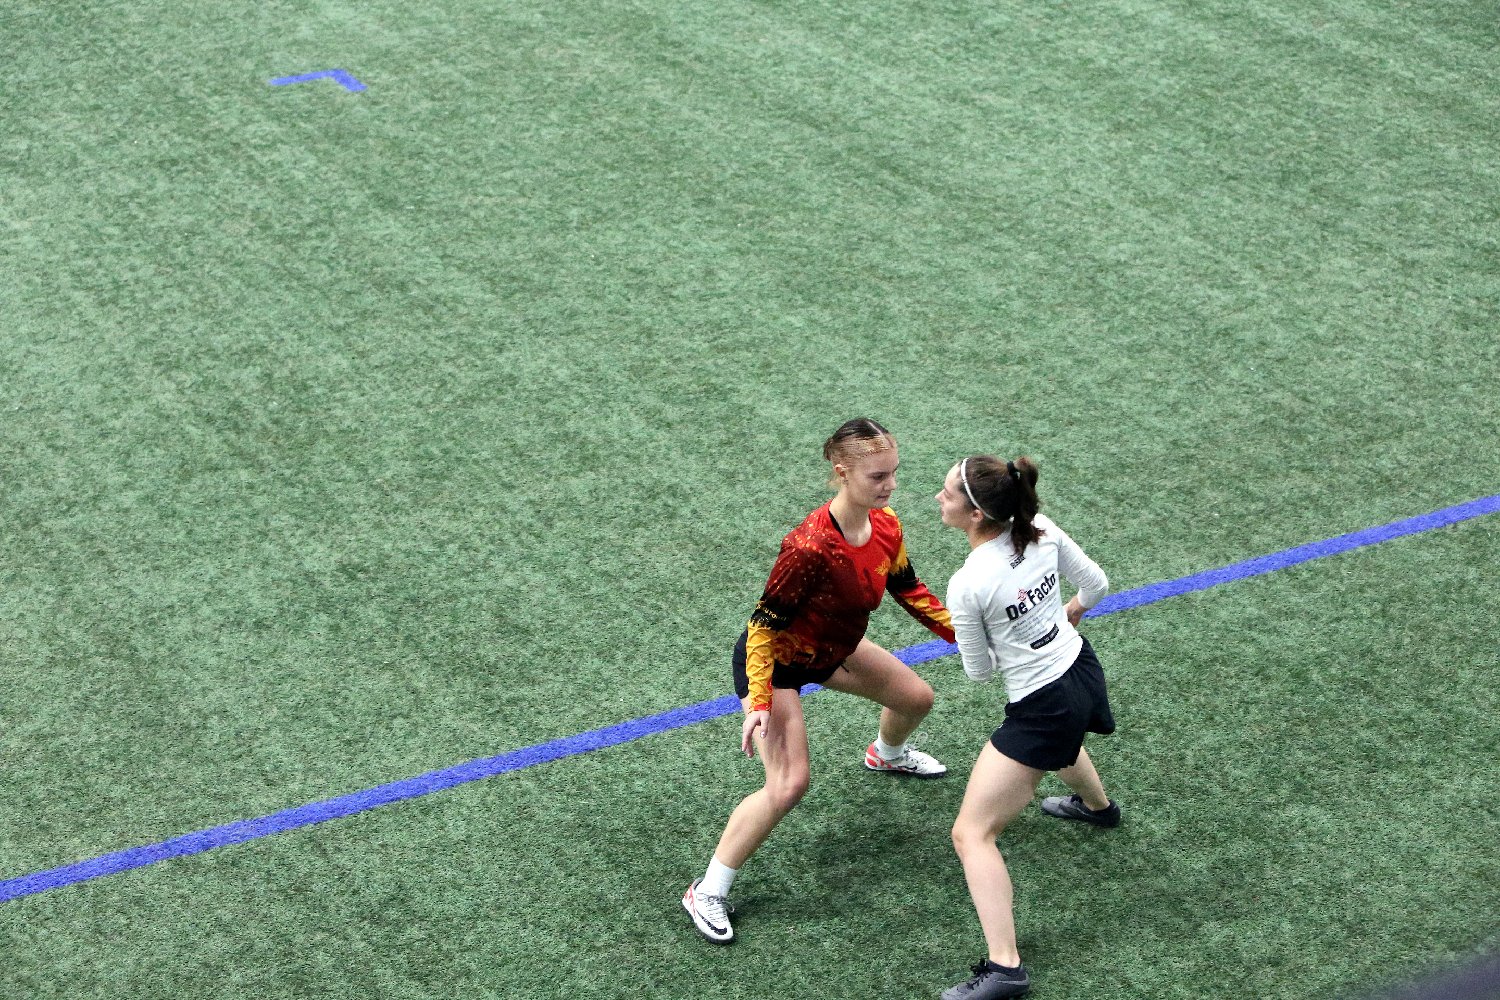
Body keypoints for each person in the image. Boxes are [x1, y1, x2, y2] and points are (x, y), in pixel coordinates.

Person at [682, 418, 958, 945]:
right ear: (842, 472)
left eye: (893, 473)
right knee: (789, 784)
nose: (891, 485)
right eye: (878, 476)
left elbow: (908, 588)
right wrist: (758, 701)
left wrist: (961, 635)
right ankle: (708, 890)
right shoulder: (809, 547)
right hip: (778, 662)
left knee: (916, 697)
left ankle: (886, 754)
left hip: (833, 649)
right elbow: (763, 627)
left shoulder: (885, 525)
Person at [934, 454, 1121, 1000]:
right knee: (1062, 744)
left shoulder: (969, 584)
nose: (938, 498)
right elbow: (1096, 584)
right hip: (1082, 669)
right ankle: (1098, 808)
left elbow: (979, 671)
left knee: (971, 833)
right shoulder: (1041, 529)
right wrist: (1065, 614)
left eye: (948, 493)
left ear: (975, 515)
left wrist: (1008, 639)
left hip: (1044, 704)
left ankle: (1005, 969)